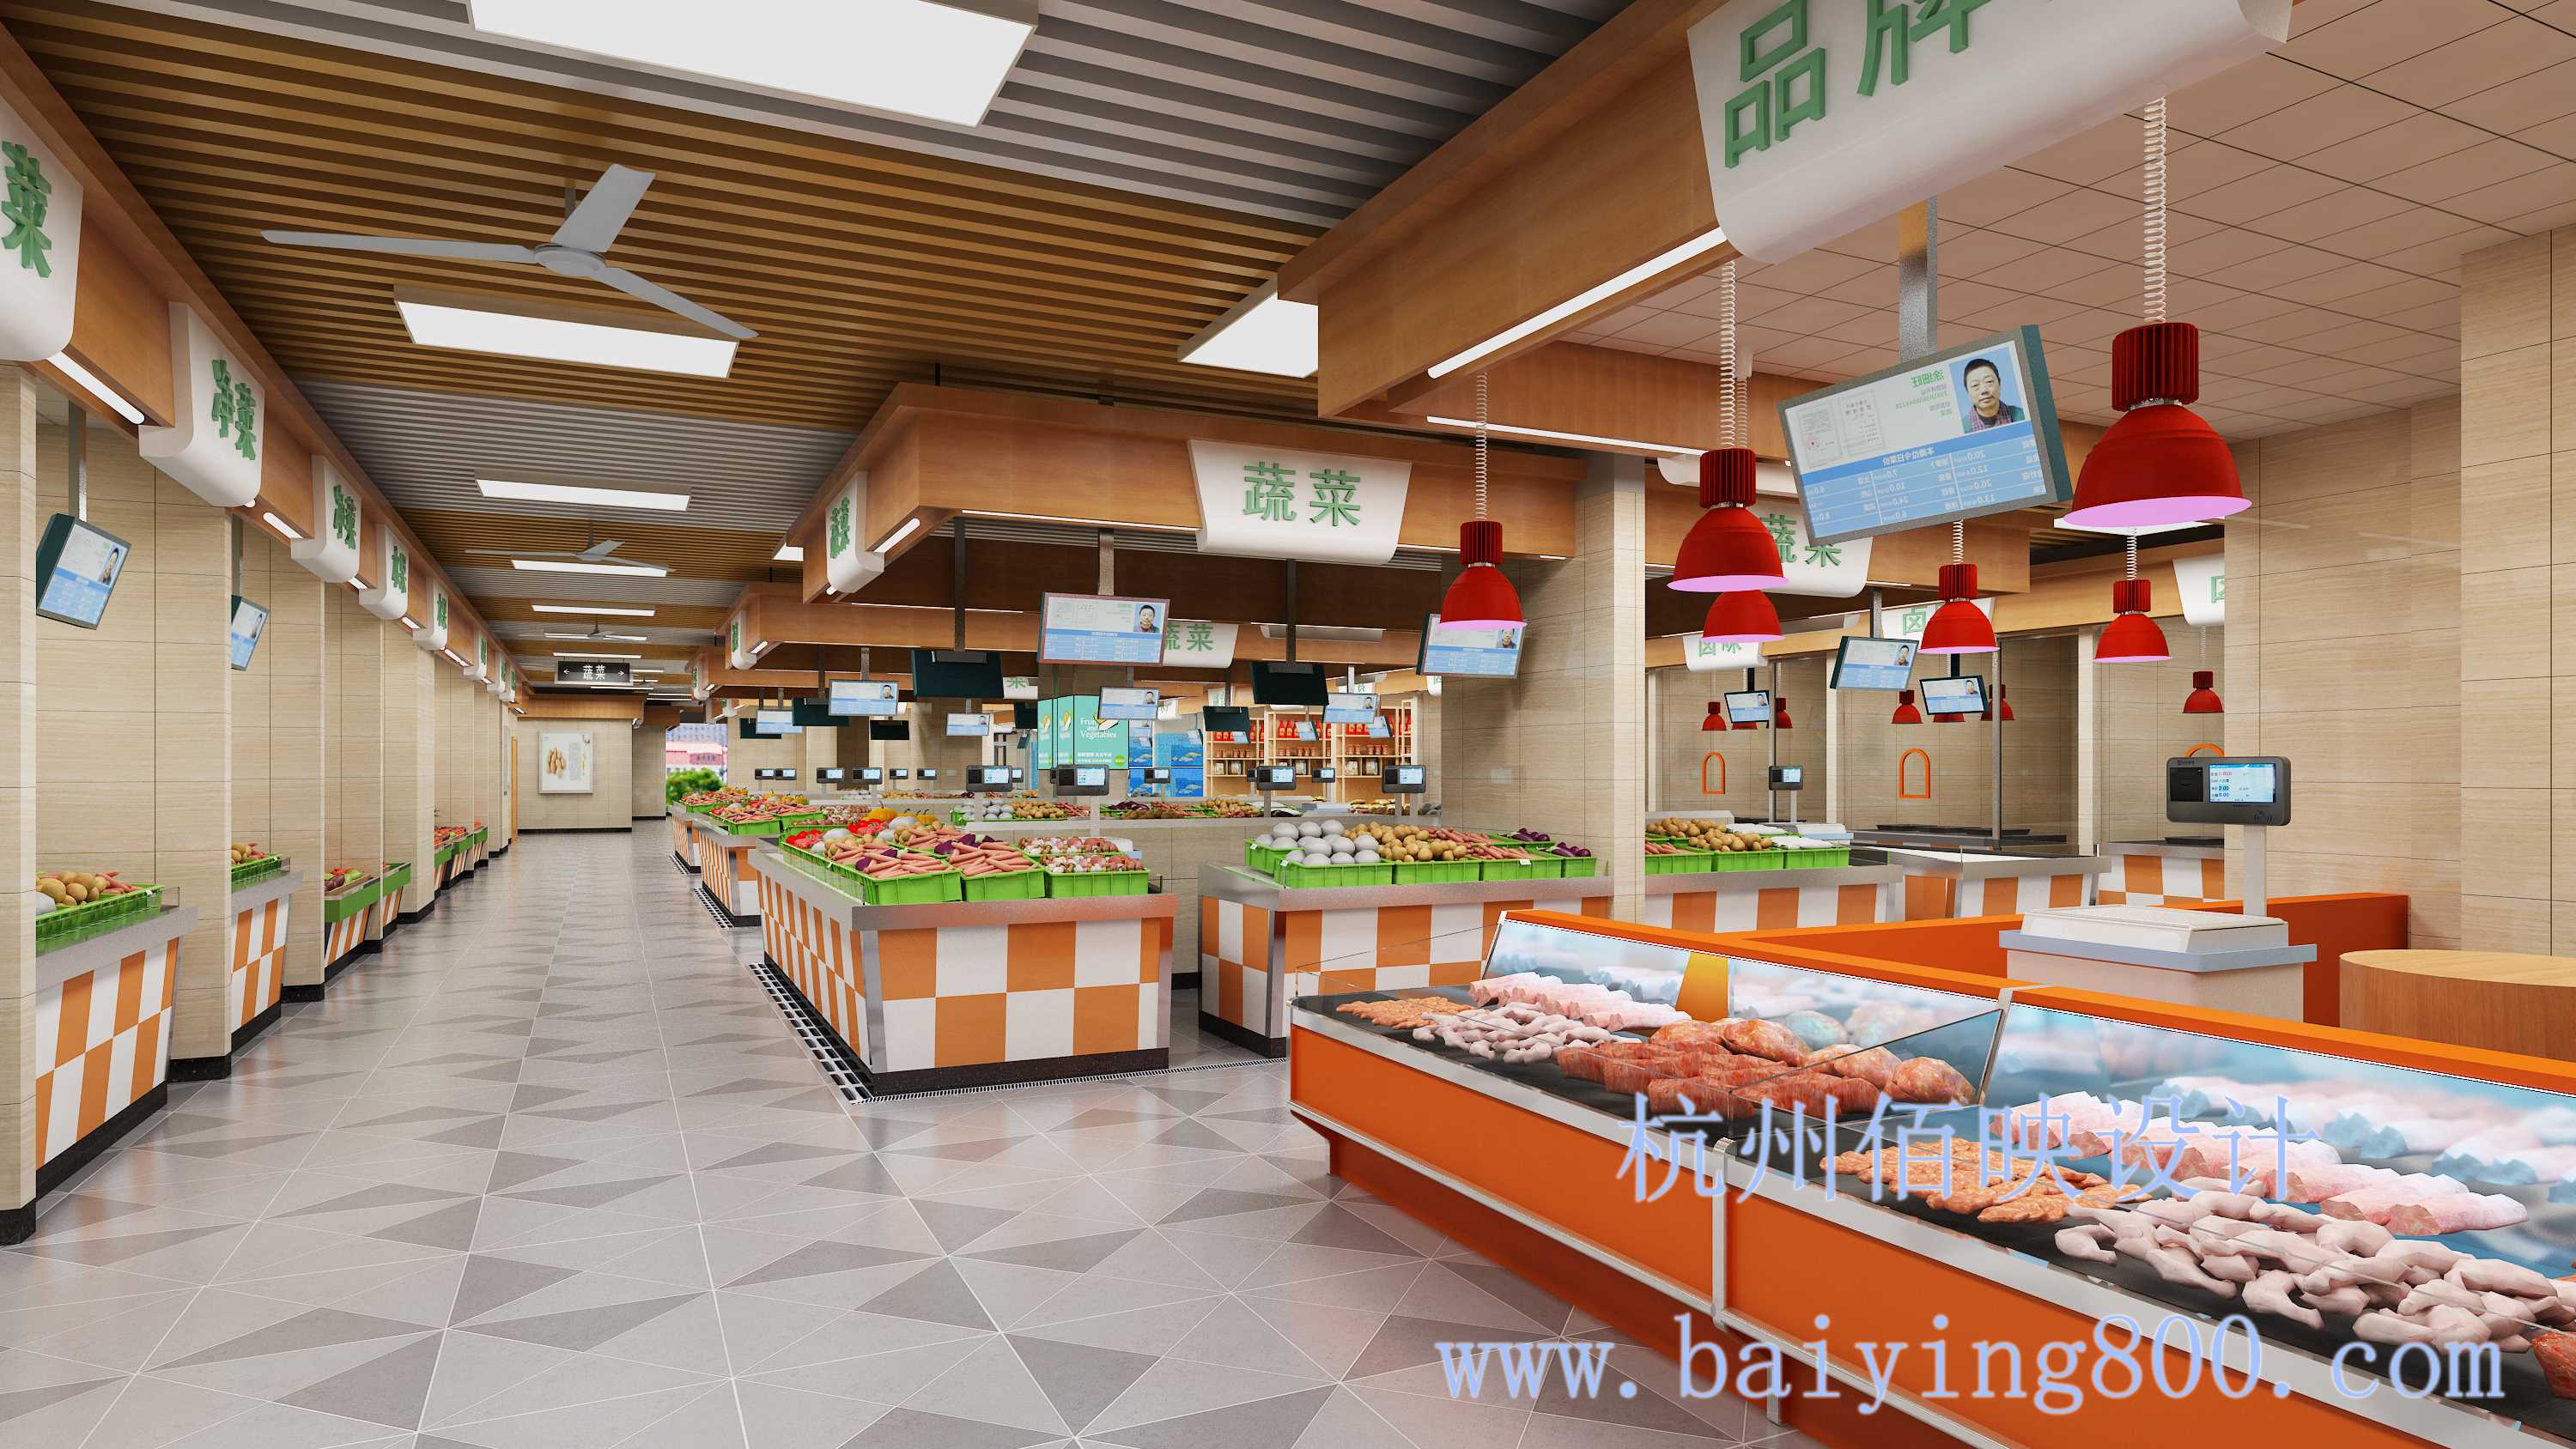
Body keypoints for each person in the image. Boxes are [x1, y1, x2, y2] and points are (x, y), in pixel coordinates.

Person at [1959, 357, 2021, 432]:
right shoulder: (1961, 428)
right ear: (1967, 391)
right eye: (1975, 385)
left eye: (1989, 381)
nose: (1984, 390)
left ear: (1999, 383)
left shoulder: (2022, 416)